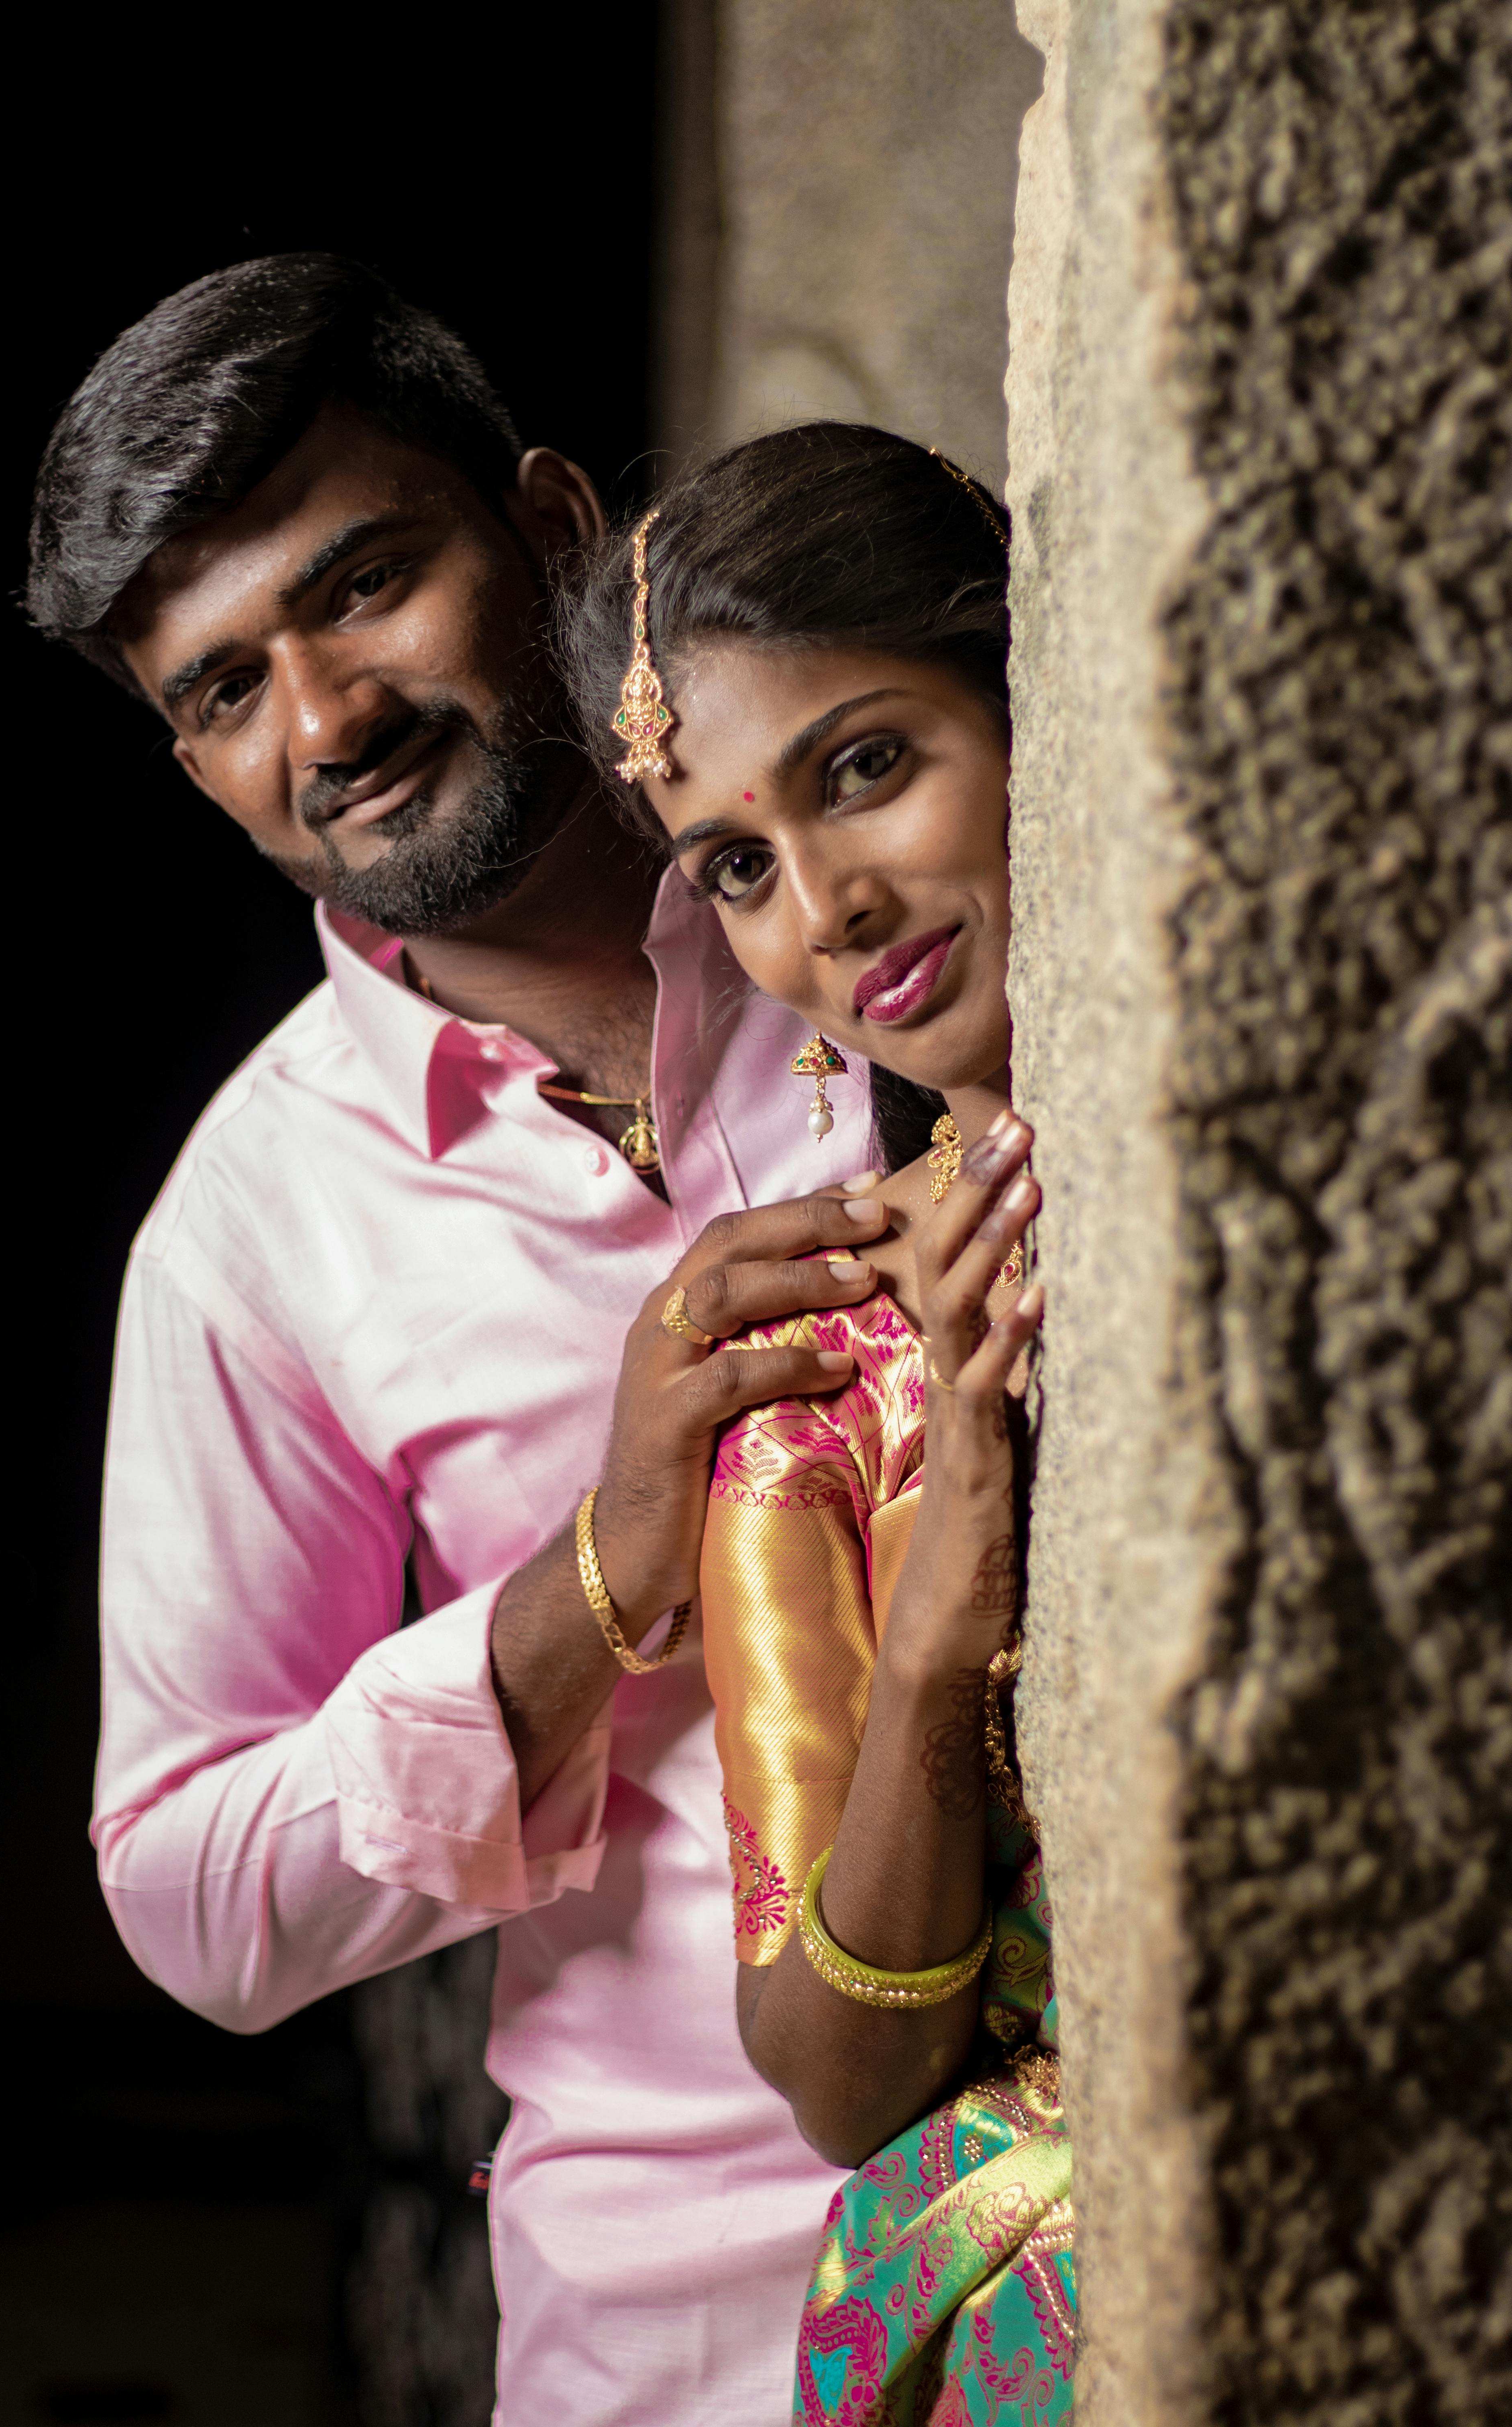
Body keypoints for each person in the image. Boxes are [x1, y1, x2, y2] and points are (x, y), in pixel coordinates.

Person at [26, 254, 905, 2425]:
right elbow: (193, 1901)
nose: (327, 721)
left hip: (1174, 2157)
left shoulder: (896, 880)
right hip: (698, 2313)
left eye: (365, 586)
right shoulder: (253, 1232)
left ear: (552, 524)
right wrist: (600, 1580)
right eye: (224, 690)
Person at [559, 423, 1075, 2423]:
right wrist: (942, 1616)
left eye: (865, 765)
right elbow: (839, 2081)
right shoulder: (824, 1371)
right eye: (737, 867)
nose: (830, 913)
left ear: (1032, 701)